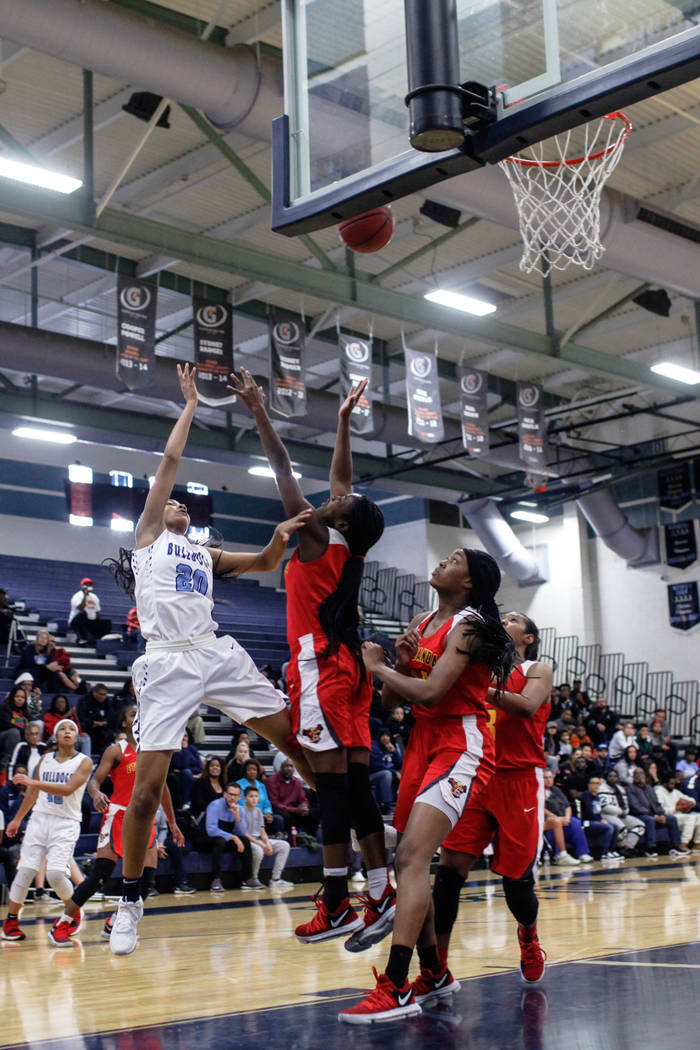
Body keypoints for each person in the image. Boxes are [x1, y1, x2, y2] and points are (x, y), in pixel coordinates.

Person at [105, 364, 313, 956]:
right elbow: (168, 464)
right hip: (167, 663)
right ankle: (129, 901)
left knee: (296, 742)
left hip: (216, 653)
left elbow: (268, 564)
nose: (178, 506)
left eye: (182, 506)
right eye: (171, 504)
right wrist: (191, 405)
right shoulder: (149, 538)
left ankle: (348, 850)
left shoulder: (205, 552)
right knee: (145, 794)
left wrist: (278, 536)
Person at [232, 368, 392, 951]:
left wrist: (257, 410)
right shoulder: (347, 542)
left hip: (319, 665)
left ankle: (334, 901)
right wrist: (344, 422)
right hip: (347, 666)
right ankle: (380, 888)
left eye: (337, 501)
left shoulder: (316, 536)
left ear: (340, 517)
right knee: (351, 786)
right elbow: (342, 478)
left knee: (331, 792)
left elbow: (283, 470)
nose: (331, 495)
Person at [339, 547, 514, 1024]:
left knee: (411, 859)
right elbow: (393, 699)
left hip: (461, 742)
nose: (442, 562)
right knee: (410, 864)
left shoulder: (471, 626)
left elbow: (435, 691)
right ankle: (434, 974)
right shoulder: (424, 619)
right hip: (423, 741)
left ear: (471, 581)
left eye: (454, 559)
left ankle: (396, 986)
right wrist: (397, 662)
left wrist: (378, 667)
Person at [429, 611, 552, 992]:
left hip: (519, 780)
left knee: (517, 884)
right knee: (448, 875)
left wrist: (470, 686)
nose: (503, 618)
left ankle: (528, 938)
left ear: (528, 637)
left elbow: (527, 706)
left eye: (514, 617)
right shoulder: (474, 666)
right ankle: (437, 968)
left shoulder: (537, 669)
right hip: (475, 774)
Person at [47, 704, 183, 946]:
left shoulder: (154, 752)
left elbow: (163, 789)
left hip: (146, 819)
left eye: (140, 713)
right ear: (123, 723)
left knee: (146, 881)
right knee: (100, 876)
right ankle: (63, 922)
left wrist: (172, 823)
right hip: (118, 815)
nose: (138, 716)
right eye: (132, 714)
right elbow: (94, 781)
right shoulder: (116, 750)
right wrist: (97, 794)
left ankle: (116, 921)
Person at [1, 719, 92, 942]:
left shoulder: (84, 762)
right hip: (40, 819)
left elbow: (68, 789)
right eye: (62, 728)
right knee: (25, 870)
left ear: (77, 736)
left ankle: (72, 913)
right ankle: (11, 920)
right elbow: (32, 795)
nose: (67, 732)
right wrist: (16, 820)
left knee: (54, 874)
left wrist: (33, 782)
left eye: (72, 729)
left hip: (66, 822)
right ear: (55, 735)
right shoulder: (45, 759)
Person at [205, 782, 253, 891]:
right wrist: (233, 838)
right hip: (206, 839)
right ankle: (216, 879)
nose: (232, 798)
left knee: (245, 841)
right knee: (220, 841)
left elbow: (242, 832)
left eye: (235, 795)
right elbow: (211, 830)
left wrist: (237, 815)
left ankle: (247, 879)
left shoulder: (240, 809)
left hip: (225, 839)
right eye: (230, 794)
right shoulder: (215, 805)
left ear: (239, 797)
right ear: (224, 794)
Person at [242, 785, 293, 888]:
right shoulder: (241, 811)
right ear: (245, 798)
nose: (254, 798)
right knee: (259, 850)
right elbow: (244, 834)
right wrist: (262, 844)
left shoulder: (259, 811)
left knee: (284, 845)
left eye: (256, 796)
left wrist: (267, 843)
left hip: (259, 840)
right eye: (251, 796)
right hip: (248, 841)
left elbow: (263, 832)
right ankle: (253, 878)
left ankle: (275, 879)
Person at [627, 767, 684, 857]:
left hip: (654, 815)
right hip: (639, 816)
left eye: (641, 773)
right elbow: (636, 806)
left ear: (645, 775)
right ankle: (650, 848)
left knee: (672, 819)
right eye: (637, 773)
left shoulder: (649, 788)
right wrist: (654, 816)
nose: (639, 775)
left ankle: (675, 847)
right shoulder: (631, 788)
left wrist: (661, 814)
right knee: (650, 820)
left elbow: (657, 804)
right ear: (633, 776)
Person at [542, 768, 591, 863]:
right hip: (549, 821)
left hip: (563, 819)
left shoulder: (556, 790)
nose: (548, 780)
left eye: (550, 777)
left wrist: (567, 818)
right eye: (545, 778)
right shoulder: (538, 791)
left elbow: (567, 806)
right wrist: (555, 817)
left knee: (575, 822)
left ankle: (583, 853)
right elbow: (540, 808)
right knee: (556, 823)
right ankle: (559, 855)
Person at [266, 757, 317, 837]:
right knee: (286, 816)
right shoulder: (271, 781)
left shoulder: (296, 781)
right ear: (280, 767)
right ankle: (290, 840)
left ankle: (309, 839)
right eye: (286, 766)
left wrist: (304, 807)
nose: (289, 769)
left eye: (291, 766)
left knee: (310, 814)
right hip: (279, 810)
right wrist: (294, 810)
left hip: (293, 809)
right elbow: (274, 803)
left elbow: (303, 799)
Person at [598, 769, 644, 855]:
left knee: (640, 826)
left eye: (615, 776)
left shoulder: (621, 789)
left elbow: (626, 804)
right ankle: (618, 848)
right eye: (610, 776)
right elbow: (604, 806)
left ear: (618, 778)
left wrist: (625, 812)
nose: (612, 778)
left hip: (621, 814)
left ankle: (628, 847)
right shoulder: (602, 788)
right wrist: (620, 812)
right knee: (622, 829)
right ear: (606, 778)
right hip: (607, 814)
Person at [654, 773, 700, 849]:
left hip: (679, 815)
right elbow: (660, 810)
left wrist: (689, 803)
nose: (673, 786)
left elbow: (692, 800)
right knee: (690, 818)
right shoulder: (658, 791)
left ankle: (697, 844)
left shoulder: (675, 791)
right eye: (671, 784)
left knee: (699, 816)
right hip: (669, 816)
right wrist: (676, 809)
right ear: (665, 783)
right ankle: (683, 843)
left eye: (674, 784)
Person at [236, 758, 282, 833]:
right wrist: (260, 815)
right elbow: (241, 804)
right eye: (249, 770)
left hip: (263, 815)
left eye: (254, 770)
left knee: (278, 819)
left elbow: (267, 803)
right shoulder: (238, 785)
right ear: (245, 772)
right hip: (247, 815)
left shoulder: (261, 785)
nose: (252, 772)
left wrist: (268, 813)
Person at [579, 777, 620, 859]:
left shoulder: (597, 797)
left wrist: (601, 819)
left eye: (598, 783)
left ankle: (611, 851)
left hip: (596, 821)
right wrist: (600, 820)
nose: (596, 786)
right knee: (609, 827)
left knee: (616, 827)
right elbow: (589, 812)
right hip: (586, 822)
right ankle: (604, 853)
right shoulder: (586, 795)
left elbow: (598, 812)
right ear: (589, 785)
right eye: (593, 783)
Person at [68, 577, 111, 645]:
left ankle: (100, 642)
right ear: (82, 586)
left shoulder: (94, 597)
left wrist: (99, 622)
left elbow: (97, 611)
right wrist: (85, 596)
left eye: (89, 585)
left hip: (89, 621)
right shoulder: (77, 596)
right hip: (76, 621)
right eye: (86, 584)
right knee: (83, 614)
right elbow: (81, 608)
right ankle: (82, 639)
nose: (88, 586)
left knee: (106, 623)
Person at [0, 686, 30, 784]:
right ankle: (4, 764)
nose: (20, 699)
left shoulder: (24, 712)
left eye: (23, 697)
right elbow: (4, 723)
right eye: (17, 696)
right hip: (4, 737)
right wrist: (23, 731)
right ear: (12, 697)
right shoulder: (4, 707)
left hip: (20, 739)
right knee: (14, 733)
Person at [166, 730, 202, 810]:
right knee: (186, 772)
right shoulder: (174, 750)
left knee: (187, 772)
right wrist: (184, 748)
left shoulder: (193, 749)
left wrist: (190, 773)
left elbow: (199, 767)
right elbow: (181, 764)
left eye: (185, 736)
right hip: (178, 776)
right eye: (181, 736)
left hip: (193, 775)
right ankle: (186, 801)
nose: (183, 738)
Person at [369, 730, 402, 813]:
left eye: (387, 736)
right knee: (386, 774)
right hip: (373, 775)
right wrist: (394, 772)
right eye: (383, 736)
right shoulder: (374, 747)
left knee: (404, 773)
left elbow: (400, 764)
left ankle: (403, 804)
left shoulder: (390, 746)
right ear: (379, 738)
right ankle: (387, 804)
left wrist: (394, 752)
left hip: (390, 772)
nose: (385, 738)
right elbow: (376, 766)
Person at [77, 684, 115, 756]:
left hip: (103, 728)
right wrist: (93, 722)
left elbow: (111, 716)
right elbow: (81, 717)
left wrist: (104, 722)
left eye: (105, 694)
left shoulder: (107, 701)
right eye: (101, 694)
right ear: (94, 692)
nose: (103, 696)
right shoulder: (84, 700)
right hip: (88, 728)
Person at [191, 756, 226, 824]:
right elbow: (197, 803)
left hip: (221, 816)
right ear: (208, 768)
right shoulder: (199, 783)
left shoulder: (224, 785)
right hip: (203, 816)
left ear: (221, 769)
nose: (215, 767)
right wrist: (214, 808)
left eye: (218, 766)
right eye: (212, 766)